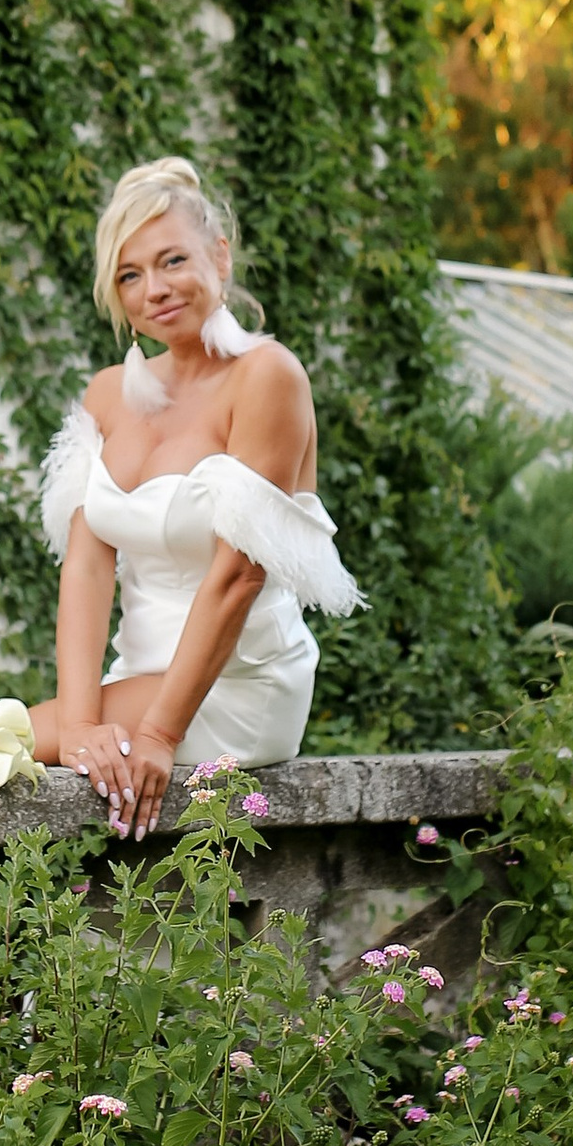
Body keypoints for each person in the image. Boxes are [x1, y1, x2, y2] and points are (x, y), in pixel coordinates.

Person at [30, 157, 359, 838]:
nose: (154, 289)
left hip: (239, 681)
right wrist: (83, 722)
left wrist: (155, 734)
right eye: (130, 274)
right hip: (140, 672)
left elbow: (240, 573)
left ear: (220, 255)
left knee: (5, 746)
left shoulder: (267, 377)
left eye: (172, 260)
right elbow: (88, 570)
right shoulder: (106, 395)